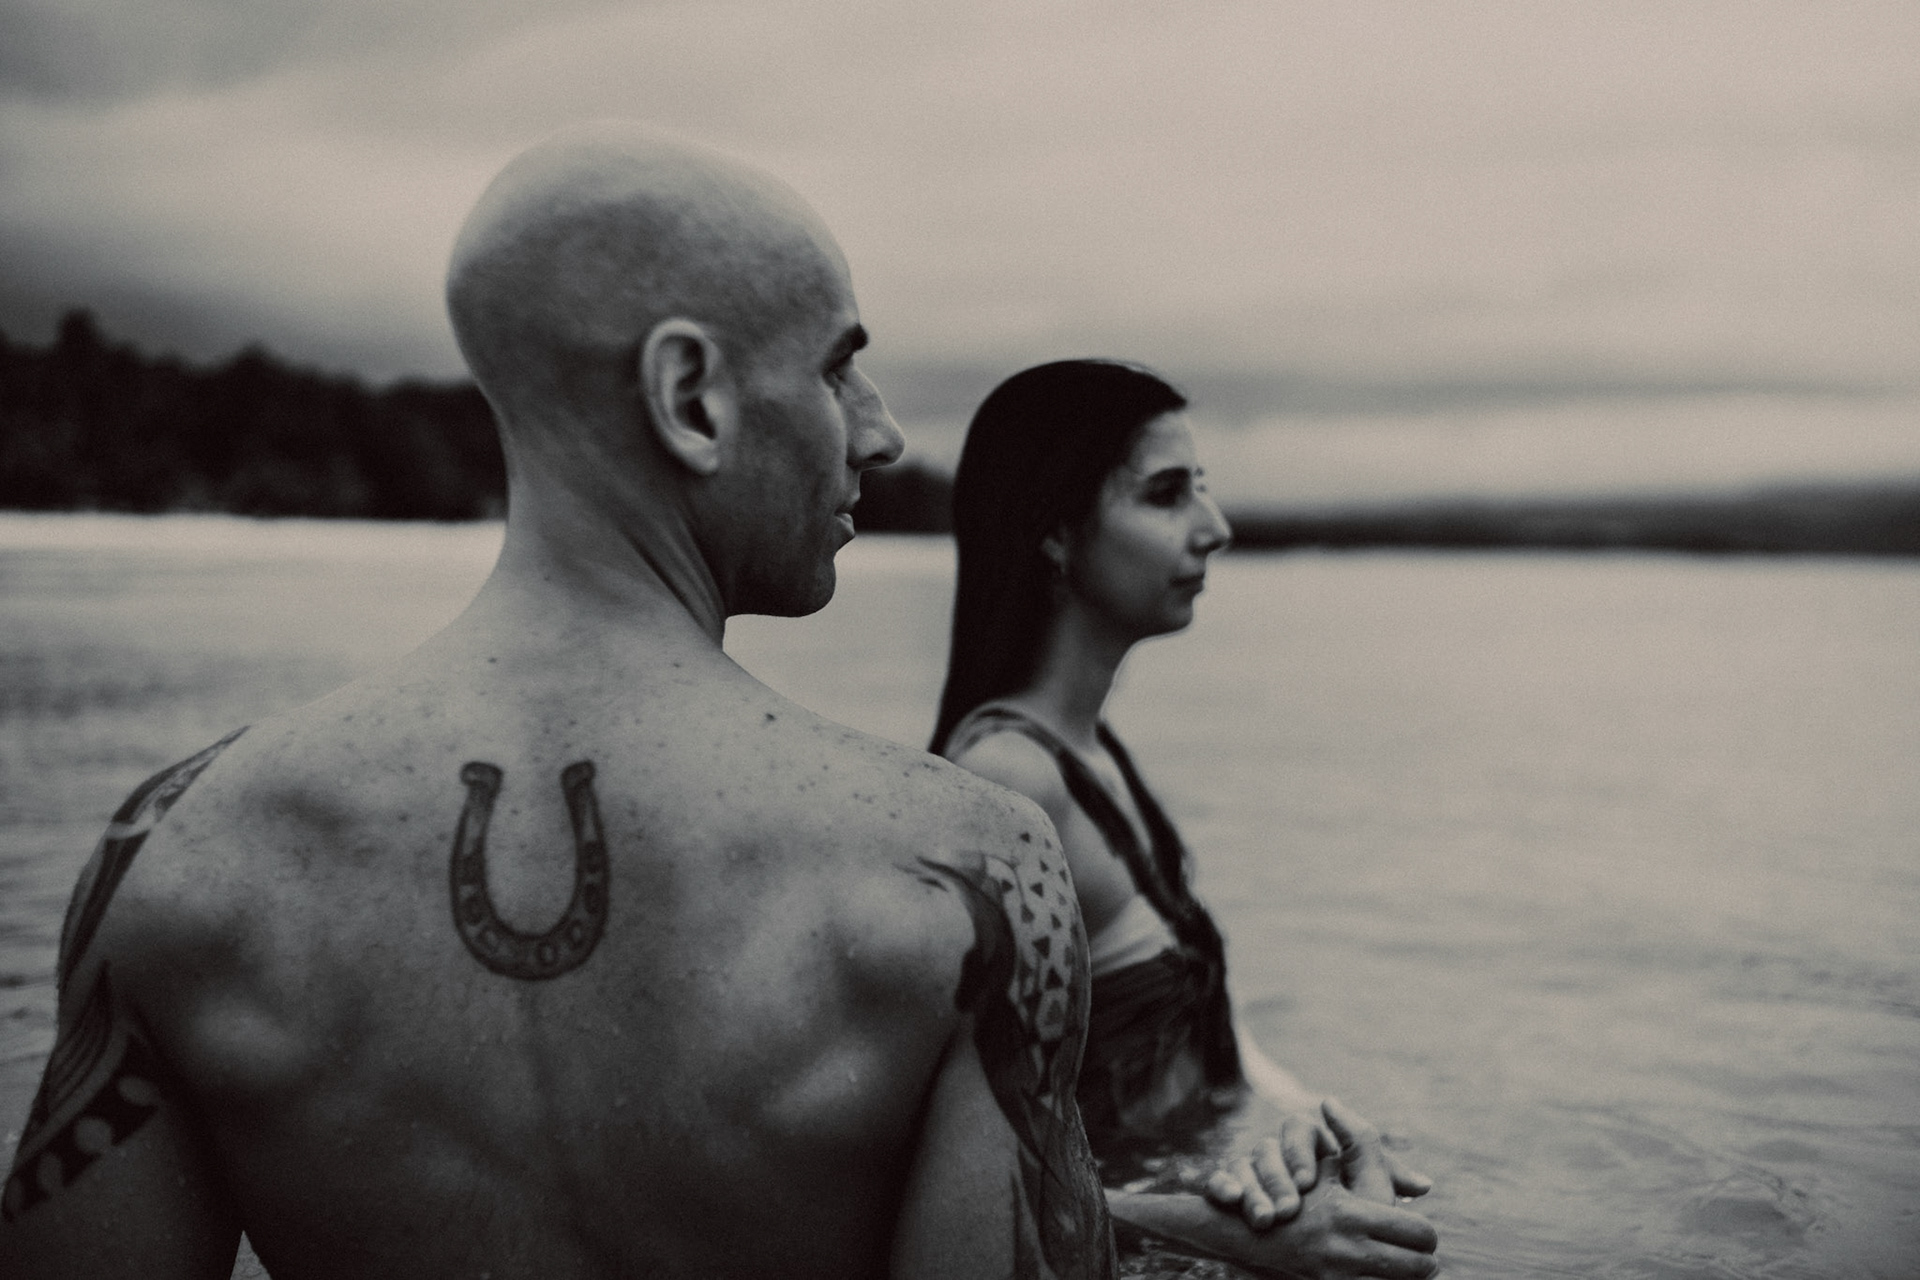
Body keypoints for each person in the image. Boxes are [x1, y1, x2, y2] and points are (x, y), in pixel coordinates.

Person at [0, 127, 1433, 1280]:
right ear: (692, 395)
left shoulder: (183, 857)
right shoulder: (956, 875)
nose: (876, 434)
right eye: (839, 366)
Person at [932, 359, 1439, 1273]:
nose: (1216, 528)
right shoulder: (1006, 785)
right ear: (1054, 534)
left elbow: (1213, 1051)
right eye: (1167, 496)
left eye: (1202, 491)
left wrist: (1316, 1132)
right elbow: (953, 1169)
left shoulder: (1090, 755)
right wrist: (1218, 1231)